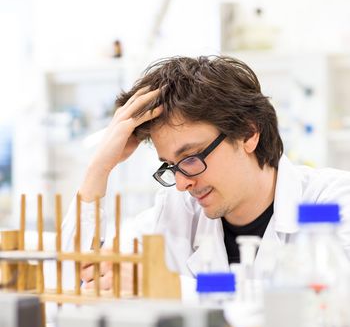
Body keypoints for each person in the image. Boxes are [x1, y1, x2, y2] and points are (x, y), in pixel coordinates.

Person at [61, 55, 350, 290]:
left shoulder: (333, 200)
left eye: (190, 157)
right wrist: (99, 168)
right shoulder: (175, 212)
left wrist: (167, 288)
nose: (182, 184)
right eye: (171, 166)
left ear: (249, 133)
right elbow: (77, 279)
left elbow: (318, 308)